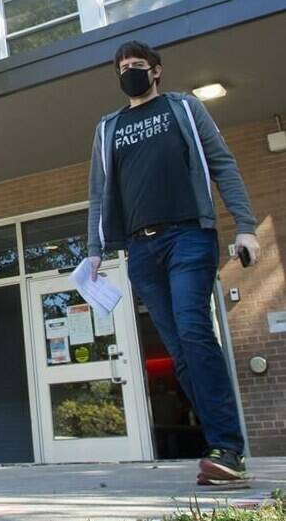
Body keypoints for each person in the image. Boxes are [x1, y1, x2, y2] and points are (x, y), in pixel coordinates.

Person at [86, 40, 260, 485]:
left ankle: (228, 448)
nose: (130, 71)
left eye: (137, 65)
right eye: (123, 67)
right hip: (141, 251)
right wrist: (94, 249)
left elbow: (222, 164)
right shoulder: (108, 127)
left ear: (156, 71)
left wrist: (245, 225)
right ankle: (223, 448)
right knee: (179, 350)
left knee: (194, 329)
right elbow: (99, 196)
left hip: (188, 236)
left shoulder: (182, 108)